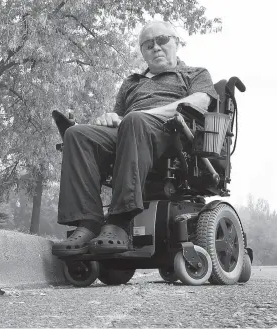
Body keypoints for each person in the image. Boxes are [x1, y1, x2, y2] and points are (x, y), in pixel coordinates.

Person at [52, 20, 218, 256]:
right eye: (148, 45)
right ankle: (87, 223)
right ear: (143, 52)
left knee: (135, 120)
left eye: (162, 40)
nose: (156, 47)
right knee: (77, 135)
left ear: (176, 43)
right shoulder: (131, 82)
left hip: (172, 135)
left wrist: (141, 115)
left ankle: (119, 223)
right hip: (131, 130)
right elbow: (120, 117)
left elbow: (199, 102)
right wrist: (111, 117)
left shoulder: (194, 73)